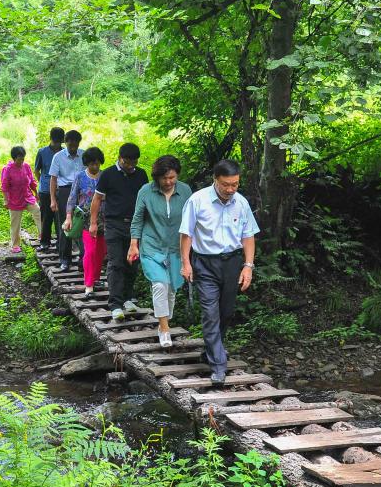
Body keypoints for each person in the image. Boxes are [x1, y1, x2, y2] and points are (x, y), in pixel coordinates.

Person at [179, 159, 259, 385]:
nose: (231, 189)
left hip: (232, 262)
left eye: (235, 184)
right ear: (215, 180)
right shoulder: (197, 200)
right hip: (204, 263)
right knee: (210, 313)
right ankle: (218, 366)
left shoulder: (240, 202)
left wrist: (248, 266)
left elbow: (248, 235)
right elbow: (186, 234)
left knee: (226, 312)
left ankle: (210, 352)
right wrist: (186, 263)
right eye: (226, 185)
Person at [128, 155, 192, 347]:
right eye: (164, 178)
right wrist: (134, 244)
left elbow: (192, 220)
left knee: (172, 288)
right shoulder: (146, 191)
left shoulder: (186, 190)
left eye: (172, 177)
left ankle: (164, 321)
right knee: (160, 285)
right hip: (152, 246)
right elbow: (138, 218)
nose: (168, 182)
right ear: (157, 177)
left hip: (176, 247)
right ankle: (164, 329)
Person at [90, 143, 149, 322]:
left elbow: (147, 199)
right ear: (119, 158)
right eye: (127, 162)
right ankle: (115, 304)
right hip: (114, 224)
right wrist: (93, 223)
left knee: (132, 262)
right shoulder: (107, 174)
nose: (131, 165)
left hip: (136, 225)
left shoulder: (141, 174)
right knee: (116, 263)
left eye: (134, 162)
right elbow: (97, 198)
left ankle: (129, 298)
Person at [63, 147, 106, 298]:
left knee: (101, 252)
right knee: (90, 251)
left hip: (105, 220)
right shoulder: (80, 177)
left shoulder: (105, 176)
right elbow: (72, 198)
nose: (95, 166)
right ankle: (89, 285)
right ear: (86, 163)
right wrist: (68, 217)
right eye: (92, 164)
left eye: (97, 164)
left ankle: (95, 278)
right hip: (86, 219)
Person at [49, 130, 84, 270]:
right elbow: (53, 178)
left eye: (75, 143)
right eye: (70, 143)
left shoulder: (84, 154)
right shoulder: (58, 157)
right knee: (65, 225)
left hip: (82, 192)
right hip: (65, 191)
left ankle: (83, 260)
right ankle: (65, 259)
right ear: (66, 142)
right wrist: (53, 199)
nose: (73, 146)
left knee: (83, 224)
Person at [0, 145, 41, 253]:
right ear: (14, 158)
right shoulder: (7, 169)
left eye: (23, 158)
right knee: (15, 223)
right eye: (19, 159)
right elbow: (4, 186)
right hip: (14, 200)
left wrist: (36, 193)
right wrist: (5, 200)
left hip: (27, 197)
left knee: (37, 211)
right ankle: (15, 245)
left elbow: (32, 181)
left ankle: (42, 234)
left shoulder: (26, 166)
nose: (21, 161)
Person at [33, 127, 65, 252]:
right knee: (46, 217)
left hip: (61, 189)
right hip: (45, 189)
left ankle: (60, 242)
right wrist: (43, 182)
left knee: (60, 217)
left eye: (59, 141)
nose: (57, 144)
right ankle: (45, 242)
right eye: (56, 141)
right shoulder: (42, 152)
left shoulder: (64, 152)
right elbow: (37, 170)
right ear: (51, 139)